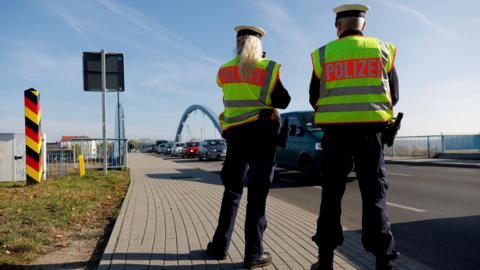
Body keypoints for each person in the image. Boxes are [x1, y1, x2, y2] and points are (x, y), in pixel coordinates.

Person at [308, 4, 400, 270]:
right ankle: (384, 263)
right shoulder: (382, 49)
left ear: (338, 27)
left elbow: (314, 97)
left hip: (335, 136)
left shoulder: (323, 54)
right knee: (374, 198)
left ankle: (325, 262)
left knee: (331, 197)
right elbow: (393, 94)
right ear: (363, 26)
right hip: (371, 134)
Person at [207, 25, 290, 269]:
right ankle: (253, 253)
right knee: (257, 196)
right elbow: (283, 100)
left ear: (238, 44)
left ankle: (220, 246)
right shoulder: (267, 68)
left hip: (235, 137)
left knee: (231, 192)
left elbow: (228, 97)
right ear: (259, 46)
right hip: (262, 136)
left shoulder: (225, 70)